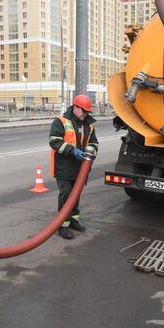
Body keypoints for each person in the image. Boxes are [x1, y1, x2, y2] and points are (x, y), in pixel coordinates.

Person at [49, 94, 99, 239]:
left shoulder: (89, 124)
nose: (85, 114)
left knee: (76, 195)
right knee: (66, 196)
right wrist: (73, 150)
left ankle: (73, 221)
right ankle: (62, 226)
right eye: (82, 110)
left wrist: (90, 153)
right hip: (64, 167)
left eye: (87, 111)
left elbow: (94, 143)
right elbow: (54, 141)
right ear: (75, 107)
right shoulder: (61, 121)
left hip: (80, 168)